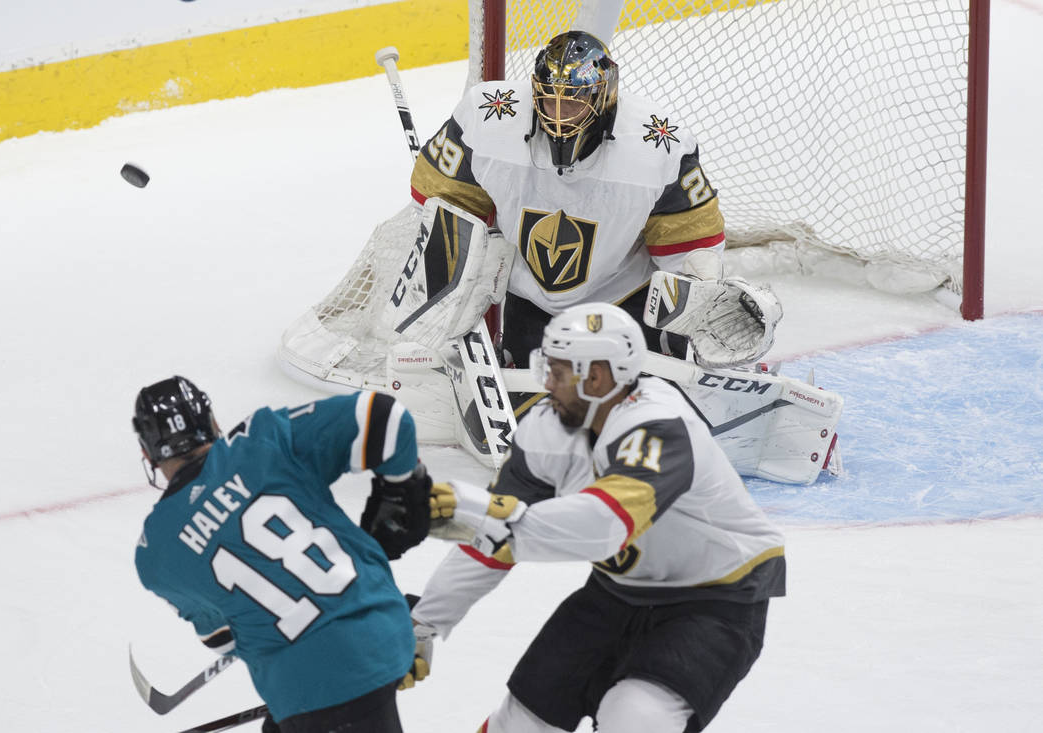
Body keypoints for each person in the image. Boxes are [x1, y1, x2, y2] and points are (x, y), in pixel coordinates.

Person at [409, 303, 787, 732]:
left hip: (716, 600)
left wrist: (488, 516)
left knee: (636, 718)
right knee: (521, 723)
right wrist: (424, 622)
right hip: (618, 591)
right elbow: (492, 542)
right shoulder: (544, 429)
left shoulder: (660, 424)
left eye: (557, 370)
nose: (546, 382)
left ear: (598, 377)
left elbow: (604, 527)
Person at [410, 30, 729, 367]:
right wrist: (473, 260)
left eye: (574, 101)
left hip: (627, 301)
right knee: (533, 411)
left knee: (635, 411)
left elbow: (693, 244)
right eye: (551, 100)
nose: (560, 116)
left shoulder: (657, 146)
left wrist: (698, 306)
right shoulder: (485, 117)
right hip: (532, 301)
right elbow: (437, 202)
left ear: (602, 97)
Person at [132, 376, 433, 733]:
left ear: (148, 454)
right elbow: (385, 417)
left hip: (306, 686)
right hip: (378, 633)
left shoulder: (154, 553)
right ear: (212, 423)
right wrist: (401, 493)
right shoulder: (261, 439)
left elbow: (224, 639)